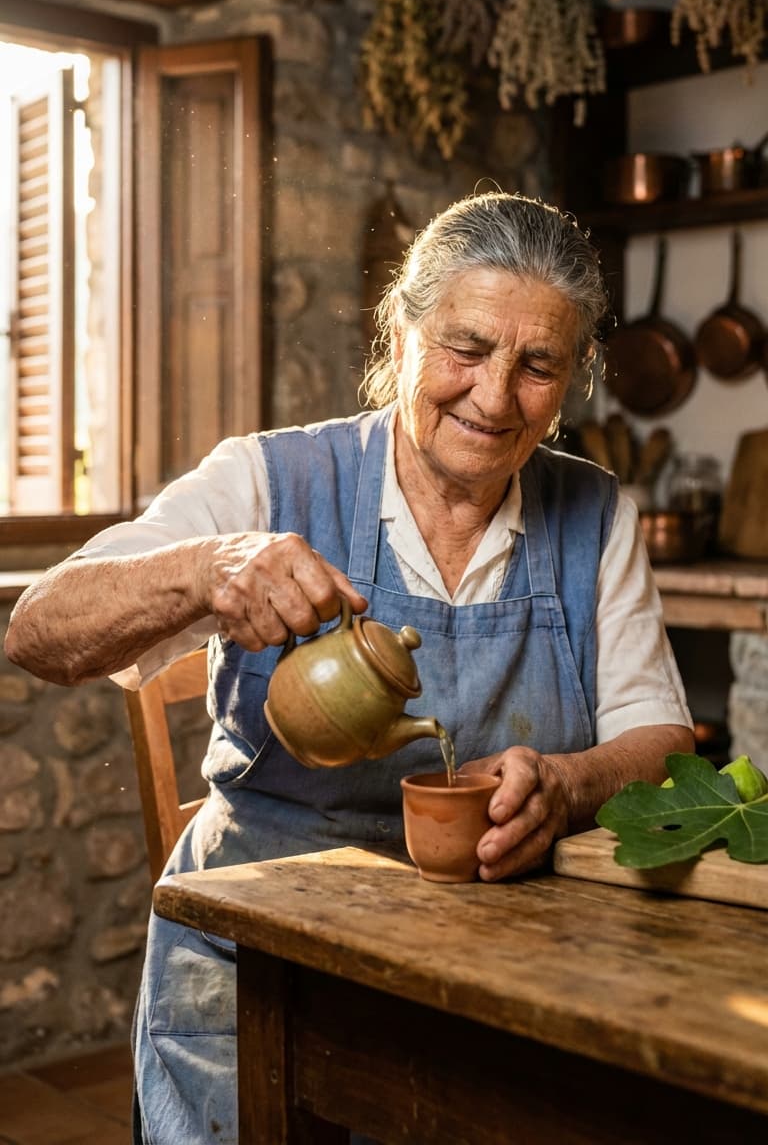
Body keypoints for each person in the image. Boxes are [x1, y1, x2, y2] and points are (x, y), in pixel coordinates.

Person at [5, 190, 693, 1145]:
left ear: (574, 376)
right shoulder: (266, 477)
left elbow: (660, 739)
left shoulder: (598, 517)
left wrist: (570, 785)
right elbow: (38, 630)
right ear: (401, 333)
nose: (495, 399)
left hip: (497, 968)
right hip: (258, 966)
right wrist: (212, 567)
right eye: (465, 348)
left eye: (539, 365)